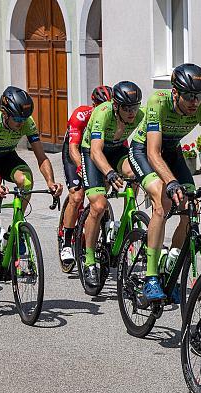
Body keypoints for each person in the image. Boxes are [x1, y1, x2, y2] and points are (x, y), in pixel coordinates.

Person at [129, 63, 201, 302]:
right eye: (189, 96)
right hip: (144, 150)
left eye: (199, 95)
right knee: (162, 200)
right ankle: (151, 276)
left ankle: (172, 264)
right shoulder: (159, 101)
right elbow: (153, 153)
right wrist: (171, 182)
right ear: (175, 92)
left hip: (172, 152)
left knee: (190, 206)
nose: (195, 101)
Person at [0, 86, 63, 302]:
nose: (21, 123)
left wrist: (51, 182)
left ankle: (16, 229)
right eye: (17, 119)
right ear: (5, 112)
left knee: (26, 180)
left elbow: (42, 158)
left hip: (7, 157)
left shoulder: (27, 122)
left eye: (24, 118)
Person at [79, 81, 144, 287]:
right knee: (98, 206)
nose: (132, 113)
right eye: (127, 108)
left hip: (116, 149)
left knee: (135, 173)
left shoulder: (140, 116)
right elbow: (96, 152)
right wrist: (108, 172)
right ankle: (89, 260)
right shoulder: (102, 113)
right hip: (93, 152)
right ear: (116, 106)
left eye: (135, 107)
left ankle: (128, 219)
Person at [59, 85, 113, 266]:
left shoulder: (113, 118)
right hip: (74, 151)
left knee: (100, 194)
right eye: (100, 105)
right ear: (93, 104)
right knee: (77, 195)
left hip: (96, 151)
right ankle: (66, 242)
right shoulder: (81, 115)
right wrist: (81, 167)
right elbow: (74, 148)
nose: (105, 109)